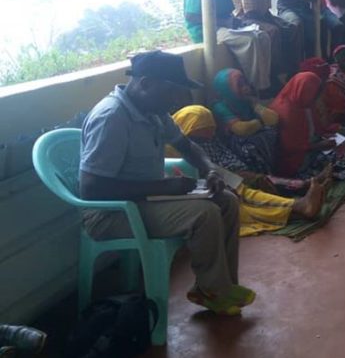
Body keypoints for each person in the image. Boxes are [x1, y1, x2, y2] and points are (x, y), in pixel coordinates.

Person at [79, 51, 254, 315]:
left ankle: (222, 286)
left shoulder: (153, 111)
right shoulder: (112, 118)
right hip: (111, 213)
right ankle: (212, 290)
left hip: (145, 200)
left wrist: (210, 170)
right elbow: (91, 189)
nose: (175, 100)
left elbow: (187, 146)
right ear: (145, 83)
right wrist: (162, 187)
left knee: (226, 200)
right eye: (171, 91)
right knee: (204, 214)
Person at [171, 105, 326, 236]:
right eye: (202, 135)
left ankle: (299, 202)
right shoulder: (173, 152)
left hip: (223, 178)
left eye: (210, 132)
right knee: (243, 206)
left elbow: (217, 162)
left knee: (247, 192)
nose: (209, 137)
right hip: (202, 191)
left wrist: (230, 177)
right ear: (187, 130)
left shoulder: (201, 142)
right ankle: (299, 205)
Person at [184, 0, 273, 92]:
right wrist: (224, 22)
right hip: (206, 29)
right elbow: (191, 16)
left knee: (263, 36)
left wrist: (236, 22)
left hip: (224, 25)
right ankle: (259, 87)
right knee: (250, 41)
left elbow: (227, 10)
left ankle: (267, 79)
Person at [233, 0, 302, 79]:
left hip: (262, 15)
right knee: (274, 31)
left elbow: (265, 9)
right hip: (244, 19)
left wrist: (278, 22)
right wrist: (273, 23)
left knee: (292, 27)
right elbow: (250, 13)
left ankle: (292, 68)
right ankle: (273, 73)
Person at [211, 68, 279, 174]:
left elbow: (273, 119)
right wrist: (260, 122)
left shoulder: (246, 101)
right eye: (239, 85)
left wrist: (255, 105)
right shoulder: (220, 107)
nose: (245, 87)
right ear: (227, 89)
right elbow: (241, 129)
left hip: (254, 134)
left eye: (244, 82)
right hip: (236, 144)